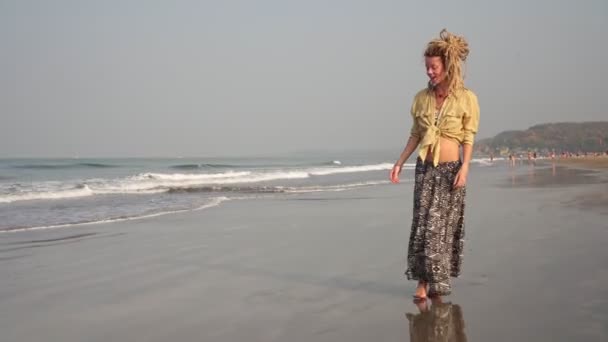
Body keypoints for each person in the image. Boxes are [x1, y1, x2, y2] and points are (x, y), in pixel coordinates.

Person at [389, 29, 480, 299]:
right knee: (422, 226)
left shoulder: (467, 98)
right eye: (427, 67)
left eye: (434, 67)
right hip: (425, 170)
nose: (429, 72)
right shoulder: (421, 98)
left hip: (451, 171)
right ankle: (423, 282)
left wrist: (465, 168)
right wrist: (399, 162)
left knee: (440, 228)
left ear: (447, 66)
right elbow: (416, 134)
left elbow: (468, 136)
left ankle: (436, 285)